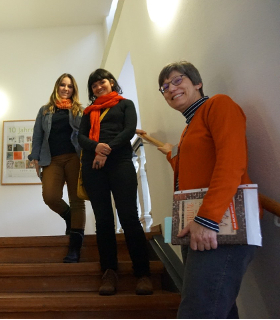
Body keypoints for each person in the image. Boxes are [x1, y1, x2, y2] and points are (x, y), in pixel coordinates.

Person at [155, 61, 256, 318]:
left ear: (197, 83)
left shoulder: (218, 105)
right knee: (219, 309)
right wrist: (171, 156)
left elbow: (232, 162)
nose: (170, 89)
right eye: (164, 87)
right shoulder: (190, 126)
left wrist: (207, 218)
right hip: (200, 226)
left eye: (177, 80)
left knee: (198, 311)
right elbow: (197, 168)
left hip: (216, 225)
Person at [78, 68, 152, 296]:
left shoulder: (125, 104)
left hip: (119, 162)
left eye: (101, 82)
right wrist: (96, 147)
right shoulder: (88, 112)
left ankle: (143, 273)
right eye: (94, 85)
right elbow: (80, 137)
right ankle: (109, 271)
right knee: (103, 220)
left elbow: (129, 130)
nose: (98, 87)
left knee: (129, 216)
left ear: (111, 82)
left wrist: (106, 149)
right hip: (94, 167)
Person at [28, 73, 86, 263]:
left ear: (73, 90)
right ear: (57, 87)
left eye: (70, 86)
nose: (66, 89)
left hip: (75, 158)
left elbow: (87, 134)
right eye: (63, 85)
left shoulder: (79, 110)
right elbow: (37, 135)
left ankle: (75, 248)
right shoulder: (45, 111)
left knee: (77, 200)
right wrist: (34, 157)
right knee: (50, 196)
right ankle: (69, 217)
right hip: (51, 159)